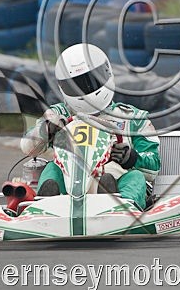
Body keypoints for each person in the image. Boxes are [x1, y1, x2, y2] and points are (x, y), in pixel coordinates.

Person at [20, 44, 160, 210]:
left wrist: (132, 158)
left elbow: (154, 165)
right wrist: (45, 131)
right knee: (52, 168)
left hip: (115, 179)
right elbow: (28, 148)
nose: (84, 90)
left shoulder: (132, 118)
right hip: (68, 185)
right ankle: (45, 206)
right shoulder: (58, 114)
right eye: (76, 85)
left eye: (91, 81)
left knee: (135, 176)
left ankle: (121, 206)